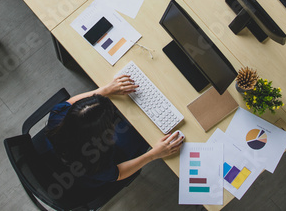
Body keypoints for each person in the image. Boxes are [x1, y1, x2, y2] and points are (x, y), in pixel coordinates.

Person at [45, 74, 184, 187]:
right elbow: (119, 174)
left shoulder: (57, 118)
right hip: (89, 167)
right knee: (140, 133)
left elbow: (71, 103)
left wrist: (105, 90)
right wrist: (154, 154)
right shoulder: (94, 164)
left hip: (65, 149)